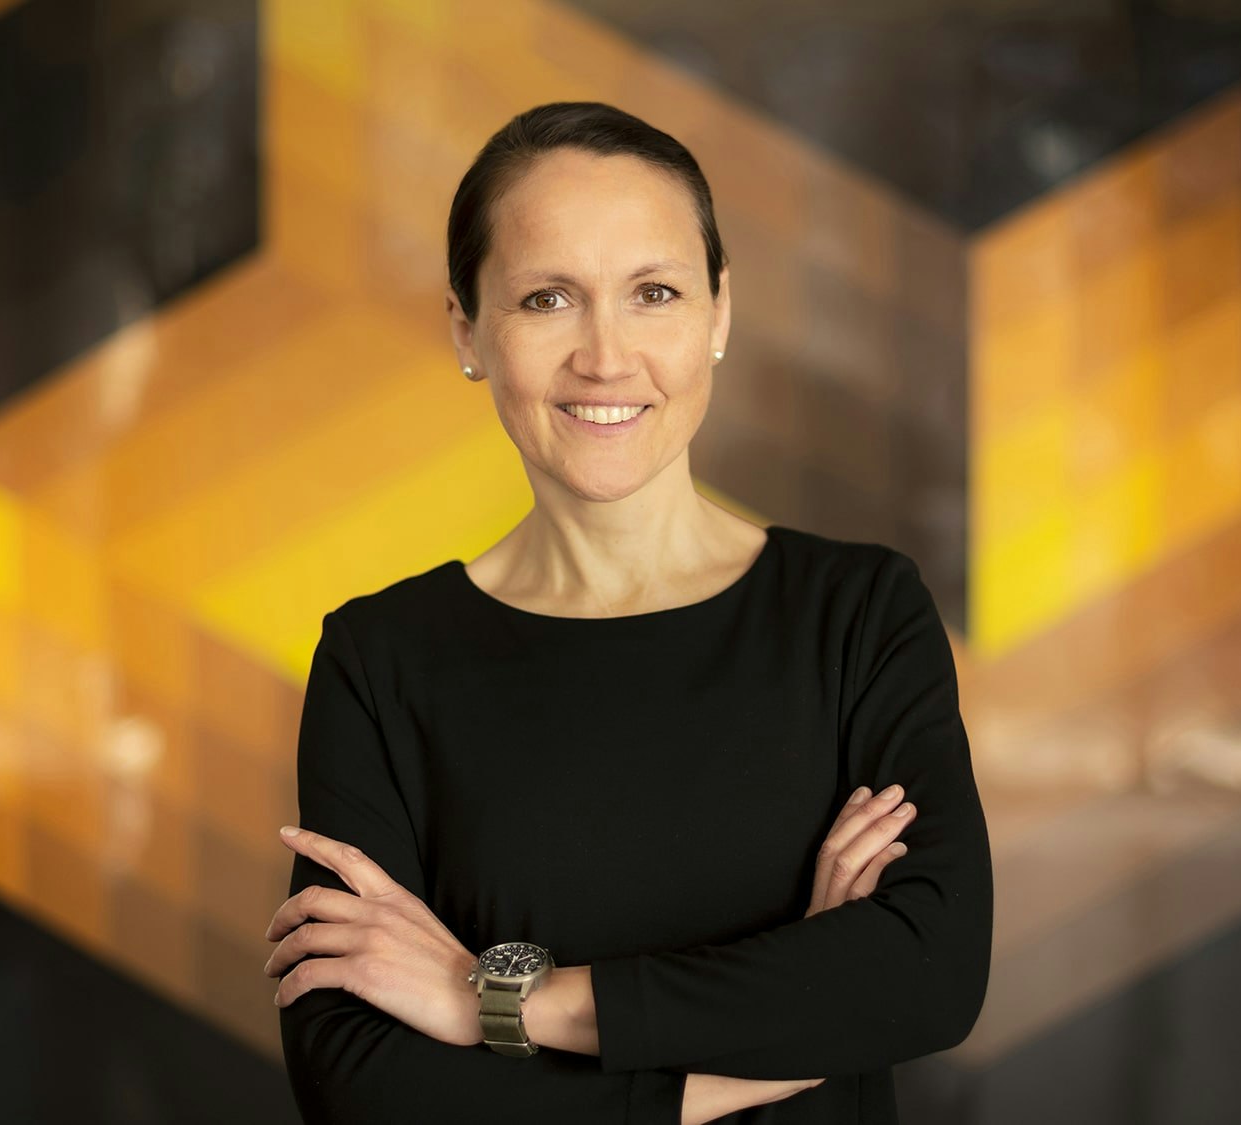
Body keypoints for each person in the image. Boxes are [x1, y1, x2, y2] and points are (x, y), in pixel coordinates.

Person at [259, 101, 993, 1124]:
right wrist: (757, 1050)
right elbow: (362, 1084)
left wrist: (495, 1002)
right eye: (547, 298)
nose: (605, 356)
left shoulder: (860, 614)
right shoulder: (379, 660)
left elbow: (923, 974)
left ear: (717, 315)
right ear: (468, 329)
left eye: (652, 292)